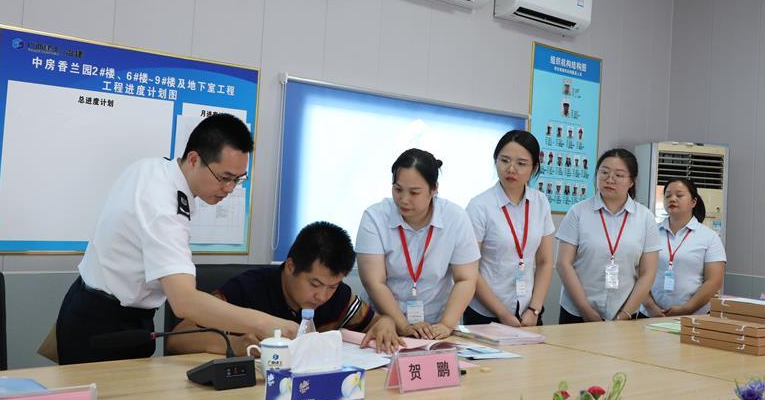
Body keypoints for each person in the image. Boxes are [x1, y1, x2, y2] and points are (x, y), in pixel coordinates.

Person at [55, 113, 288, 365]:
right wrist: (267, 324)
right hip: (106, 324)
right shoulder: (163, 207)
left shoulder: (154, 168)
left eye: (238, 179)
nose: (230, 189)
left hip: (97, 305)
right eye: (224, 178)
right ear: (194, 159)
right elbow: (185, 302)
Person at [167, 222, 405, 355]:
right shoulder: (247, 289)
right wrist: (234, 346)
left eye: (332, 286)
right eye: (314, 284)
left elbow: (376, 322)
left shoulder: (339, 297)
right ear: (290, 266)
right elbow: (177, 339)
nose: (322, 296)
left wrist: (386, 323)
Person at [356, 149, 479, 340]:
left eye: (414, 192)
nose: (404, 199)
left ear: (434, 189)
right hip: (384, 325)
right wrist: (404, 326)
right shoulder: (375, 217)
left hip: (436, 324)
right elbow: (374, 282)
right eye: (398, 189)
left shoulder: (455, 218)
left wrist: (446, 325)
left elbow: (466, 278)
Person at [556, 148, 660, 323]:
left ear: (631, 181)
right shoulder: (578, 212)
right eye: (604, 172)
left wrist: (625, 314)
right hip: (577, 312)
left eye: (619, 175)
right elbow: (563, 263)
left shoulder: (645, 218)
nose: (609, 179)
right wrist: (585, 310)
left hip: (625, 313)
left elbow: (647, 273)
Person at [464, 130, 555, 326]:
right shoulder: (480, 206)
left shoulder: (540, 203)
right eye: (504, 160)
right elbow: (470, 269)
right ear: (495, 161)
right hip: (485, 313)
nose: (511, 169)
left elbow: (545, 261)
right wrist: (503, 314)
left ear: (534, 167)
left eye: (521, 163)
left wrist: (534, 309)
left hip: (528, 312)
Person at [641, 178, 726, 317]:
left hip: (693, 316)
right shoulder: (650, 232)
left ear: (693, 202)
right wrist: (650, 306)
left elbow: (714, 281)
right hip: (649, 314)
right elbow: (637, 273)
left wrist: (687, 308)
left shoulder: (709, 237)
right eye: (668, 195)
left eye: (679, 195)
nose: (672, 199)